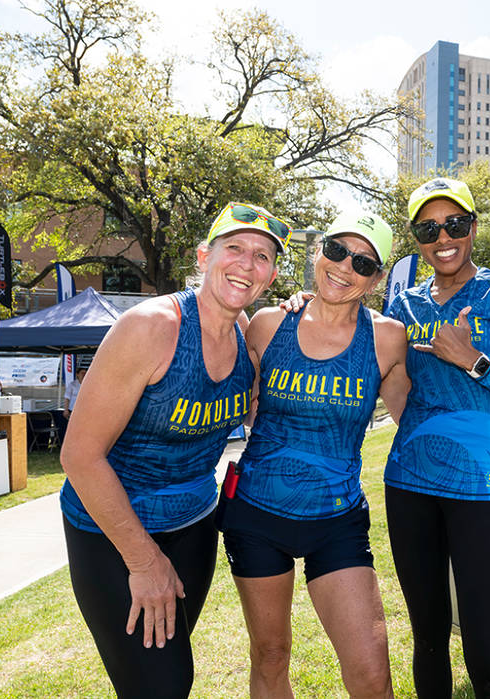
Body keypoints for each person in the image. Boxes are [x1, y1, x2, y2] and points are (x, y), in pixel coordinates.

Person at [59, 202, 288, 698]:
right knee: (162, 686)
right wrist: (143, 562)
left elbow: (257, 413)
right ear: (205, 256)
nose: (247, 265)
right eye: (235, 249)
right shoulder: (151, 327)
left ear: (272, 274)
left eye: (263, 256)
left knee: (164, 678)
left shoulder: (248, 331)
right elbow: (79, 455)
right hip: (111, 528)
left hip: (194, 522)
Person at [222, 212, 409, 698]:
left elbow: (418, 415)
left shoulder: (386, 338)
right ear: (317, 251)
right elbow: (230, 400)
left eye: (363, 262)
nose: (345, 266)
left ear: (377, 278)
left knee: (371, 674)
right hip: (258, 513)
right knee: (270, 656)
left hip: (337, 520)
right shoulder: (268, 324)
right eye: (337, 249)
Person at [385, 178, 490, 698]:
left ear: (473, 227)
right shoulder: (403, 306)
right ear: (417, 238)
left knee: (486, 653)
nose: (443, 237)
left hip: (482, 491)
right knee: (429, 640)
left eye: (455, 224)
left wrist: (474, 362)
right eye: (428, 228)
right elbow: (390, 379)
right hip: (409, 484)